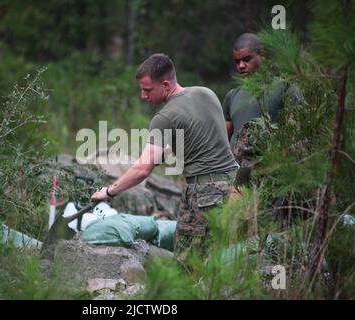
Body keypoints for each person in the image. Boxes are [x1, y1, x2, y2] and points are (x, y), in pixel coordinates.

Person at [91, 53, 239, 265]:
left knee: (190, 262)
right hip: (235, 187)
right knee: (223, 254)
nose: (143, 96)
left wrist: (109, 191)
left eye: (147, 90)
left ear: (166, 84)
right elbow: (203, 137)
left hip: (205, 193)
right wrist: (165, 151)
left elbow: (142, 170)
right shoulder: (206, 93)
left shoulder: (164, 117)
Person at [222, 33, 301, 174]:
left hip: (273, 175)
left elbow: (296, 134)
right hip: (237, 180)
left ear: (262, 55)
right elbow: (223, 141)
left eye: (247, 59)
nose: (241, 66)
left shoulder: (285, 88)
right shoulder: (232, 96)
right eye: (237, 61)